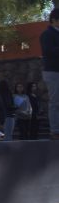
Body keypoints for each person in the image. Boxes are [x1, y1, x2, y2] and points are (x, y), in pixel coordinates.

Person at [40, 8, 59, 140]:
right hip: (52, 71)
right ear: (54, 20)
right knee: (55, 102)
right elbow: (48, 52)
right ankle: (55, 130)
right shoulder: (47, 34)